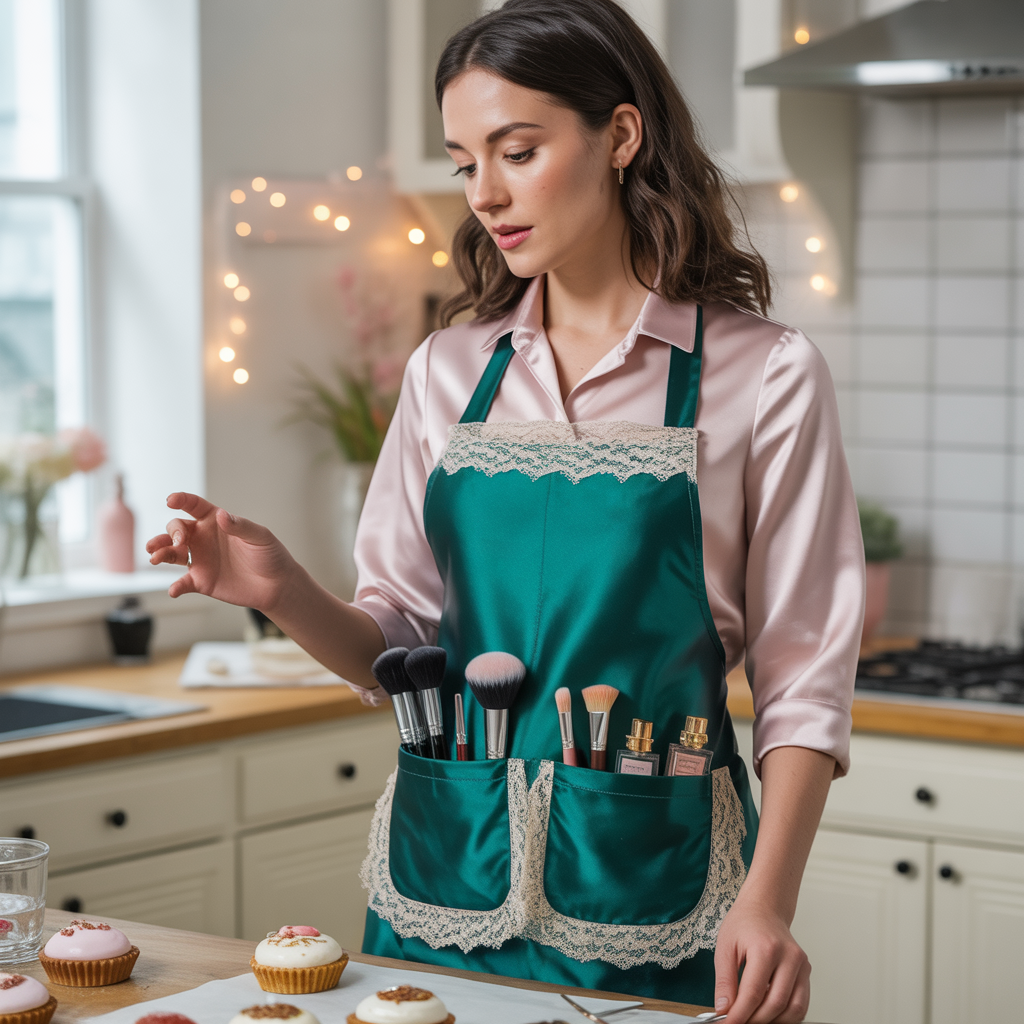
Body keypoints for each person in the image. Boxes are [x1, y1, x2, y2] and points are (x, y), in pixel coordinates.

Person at [147, 1, 863, 1020]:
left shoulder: (764, 374)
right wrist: (280, 590)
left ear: (619, 135)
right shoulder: (447, 370)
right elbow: (398, 651)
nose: (484, 193)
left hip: (652, 888)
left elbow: (803, 677)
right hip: (447, 879)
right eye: (464, 161)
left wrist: (767, 899)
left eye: (516, 151)